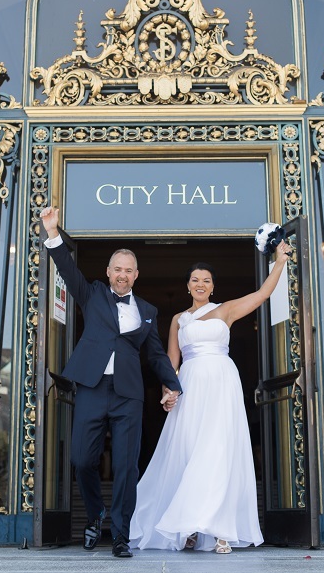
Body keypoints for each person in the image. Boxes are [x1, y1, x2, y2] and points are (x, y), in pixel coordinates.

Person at [129, 240, 292, 553]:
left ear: (213, 286)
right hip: (190, 387)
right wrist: (168, 391)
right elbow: (171, 362)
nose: (200, 284)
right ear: (187, 286)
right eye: (195, 280)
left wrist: (280, 262)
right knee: (189, 453)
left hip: (220, 383)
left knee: (217, 452)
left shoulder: (225, 310)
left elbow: (262, 294)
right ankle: (188, 526)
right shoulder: (178, 319)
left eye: (206, 280)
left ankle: (220, 531)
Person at [40, 206, 181, 558]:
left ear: (136, 275)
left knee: (125, 465)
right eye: (117, 269)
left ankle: (120, 534)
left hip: (128, 395)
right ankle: (95, 513)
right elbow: (68, 271)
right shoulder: (92, 294)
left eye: (128, 271)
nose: (122, 275)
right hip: (91, 387)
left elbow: (157, 355)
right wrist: (52, 232)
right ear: (108, 272)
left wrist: (173, 384)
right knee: (82, 460)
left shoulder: (148, 311)